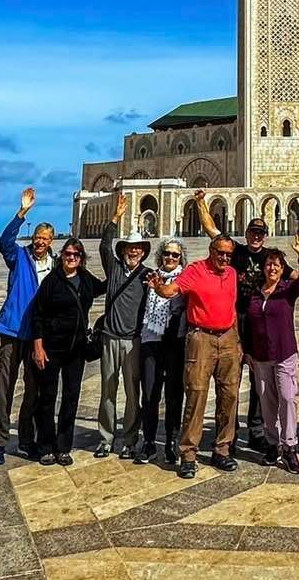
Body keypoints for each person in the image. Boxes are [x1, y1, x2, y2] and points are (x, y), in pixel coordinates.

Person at [149, 235, 242, 480]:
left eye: (228, 254)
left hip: (229, 338)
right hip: (201, 338)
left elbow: (232, 305)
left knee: (229, 395)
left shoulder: (231, 273)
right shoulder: (195, 270)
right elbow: (172, 290)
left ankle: (222, 448)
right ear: (211, 251)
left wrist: (237, 340)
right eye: (220, 252)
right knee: (197, 394)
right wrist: (159, 288)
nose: (224, 258)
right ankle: (188, 453)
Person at [194, 189, 279, 454]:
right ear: (247, 234)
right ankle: (227, 434)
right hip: (234, 321)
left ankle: (256, 431)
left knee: (259, 379)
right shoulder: (236, 252)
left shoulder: (269, 258)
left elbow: (292, 278)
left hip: (258, 323)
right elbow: (212, 230)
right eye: (253, 232)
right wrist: (200, 203)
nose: (256, 236)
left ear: (265, 236)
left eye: (260, 233)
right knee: (230, 380)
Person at [0, 187, 55, 465]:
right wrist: (22, 212)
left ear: (51, 241)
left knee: (32, 391)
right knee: (4, 388)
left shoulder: (56, 266)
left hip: (37, 338)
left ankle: (27, 440)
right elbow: (5, 242)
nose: (40, 242)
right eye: (37, 237)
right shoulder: (19, 257)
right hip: (13, 331)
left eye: (45, 239)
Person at [32, 238, 105, 465]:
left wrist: (127, 269)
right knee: (47, 397)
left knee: (71, 398)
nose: (71, 257)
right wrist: (38, 346)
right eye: (68, 254)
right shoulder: (52, 281)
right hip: (52, 348)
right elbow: (38, 314)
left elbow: (106, 286)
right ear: (61, 256)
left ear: (81, 259)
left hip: (77, 349)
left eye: (76, 254)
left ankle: (64, 446)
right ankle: (45, 445)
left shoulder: (85, 279)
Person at [245, 234, 299, 473]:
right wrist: (248, 352)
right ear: (263, 268)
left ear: (283, 269)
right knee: (267, 402)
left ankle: (290, 446)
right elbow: (249, 324)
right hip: (260, 357)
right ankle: (273, 444)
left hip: (284, 354)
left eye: (277, 264)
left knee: (287, 399)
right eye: (269, 264)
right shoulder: (254, 293)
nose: (272, 267)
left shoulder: (287, 291)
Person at [95, 192, 152, 459]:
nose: (134, 251)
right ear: (124, 251)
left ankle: (130, 439)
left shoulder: (147, 276)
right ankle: (106, 438)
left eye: (138, 248)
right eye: (130, 248)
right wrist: (115, 218)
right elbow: (104, 246)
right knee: (108, 390)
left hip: (133, 341)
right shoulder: (115, 269)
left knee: (132, 392)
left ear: (142, 252)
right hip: (110, 338)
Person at [138, 238, 189, 465]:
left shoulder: (186, 281)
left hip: (175, 344)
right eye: (167, 254)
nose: (170, 257)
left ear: (180, 259)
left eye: (175, 255)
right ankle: (148, 442)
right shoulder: (148, 277)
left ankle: (171, 442)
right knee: (149, 395)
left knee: (173, 396)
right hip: (150, 341)